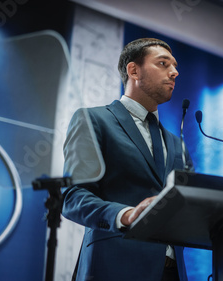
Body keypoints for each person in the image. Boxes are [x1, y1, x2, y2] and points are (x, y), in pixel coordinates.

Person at [62, 38, 192, 281]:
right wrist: (126, 215)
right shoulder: (94, 120)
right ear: (134, 70)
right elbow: (73, 197)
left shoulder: (178, 145)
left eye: (174, 66)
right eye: (163, 64)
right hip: (113, 267)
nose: (174, 72)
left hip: (173, 274)